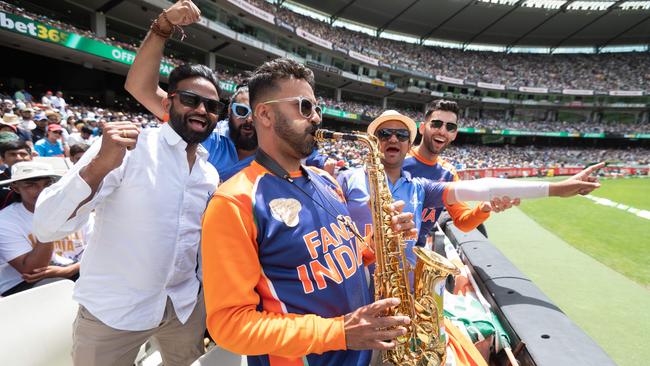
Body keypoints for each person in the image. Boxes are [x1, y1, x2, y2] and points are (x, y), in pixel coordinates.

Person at [33, 5, 221, 363]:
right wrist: (98, 167)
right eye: (192, 100)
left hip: (181, 309)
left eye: (212, 106)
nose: (202, 110)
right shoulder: (128, 149)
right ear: (169, 102)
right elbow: (45, 227)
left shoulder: (208, 174)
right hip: (113, 315)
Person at [202, 57, 417, 366]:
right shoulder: (233, 202)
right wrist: (339, 332)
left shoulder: (326, 180)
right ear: (264, 113)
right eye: (304, 107)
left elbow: (344, 255)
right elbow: (230, 325)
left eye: (317, 109)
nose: (316, 118)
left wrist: (384, 241)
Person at [339, 110, 603, 270]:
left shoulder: (422, 188)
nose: (393, 138)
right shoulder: (346, 180)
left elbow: (482, 188)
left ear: (410, 144)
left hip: (405, 285)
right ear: (373, 142)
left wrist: (558, 189)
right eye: (384, 133)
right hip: (354, 285)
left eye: (401, 134)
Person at [124, 0, 238, 176]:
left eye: (211, 105)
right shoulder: (206, 134)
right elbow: (140, 87)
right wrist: (163, 25)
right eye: (242, 109)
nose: (201, 109)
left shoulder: (281, 155)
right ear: (229, 111)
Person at [403, 99, 498, 246]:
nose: (442, 131)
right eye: (436, 124)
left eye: (450, 127)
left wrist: (484, 208)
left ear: (454, 134)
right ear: (422, 128)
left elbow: (463, 223)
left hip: (416, 254)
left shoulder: (448, 174)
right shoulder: (399, 161)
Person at [0, 162, 84, 297]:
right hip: (19, 284)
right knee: (59, 289)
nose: (41, 191)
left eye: (47, 184)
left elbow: (99, 253)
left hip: (73, 271)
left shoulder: (77, 210)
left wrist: (70, 270)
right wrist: (49, 221)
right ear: (15, 188)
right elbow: (32, 271)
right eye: (31, 185)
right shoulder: (5, 221)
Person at [0, 139, 32, 209]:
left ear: (31, 157)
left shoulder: (44, 180)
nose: (19, 158)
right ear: (3, 159)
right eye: (12, 154)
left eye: (23, 154)